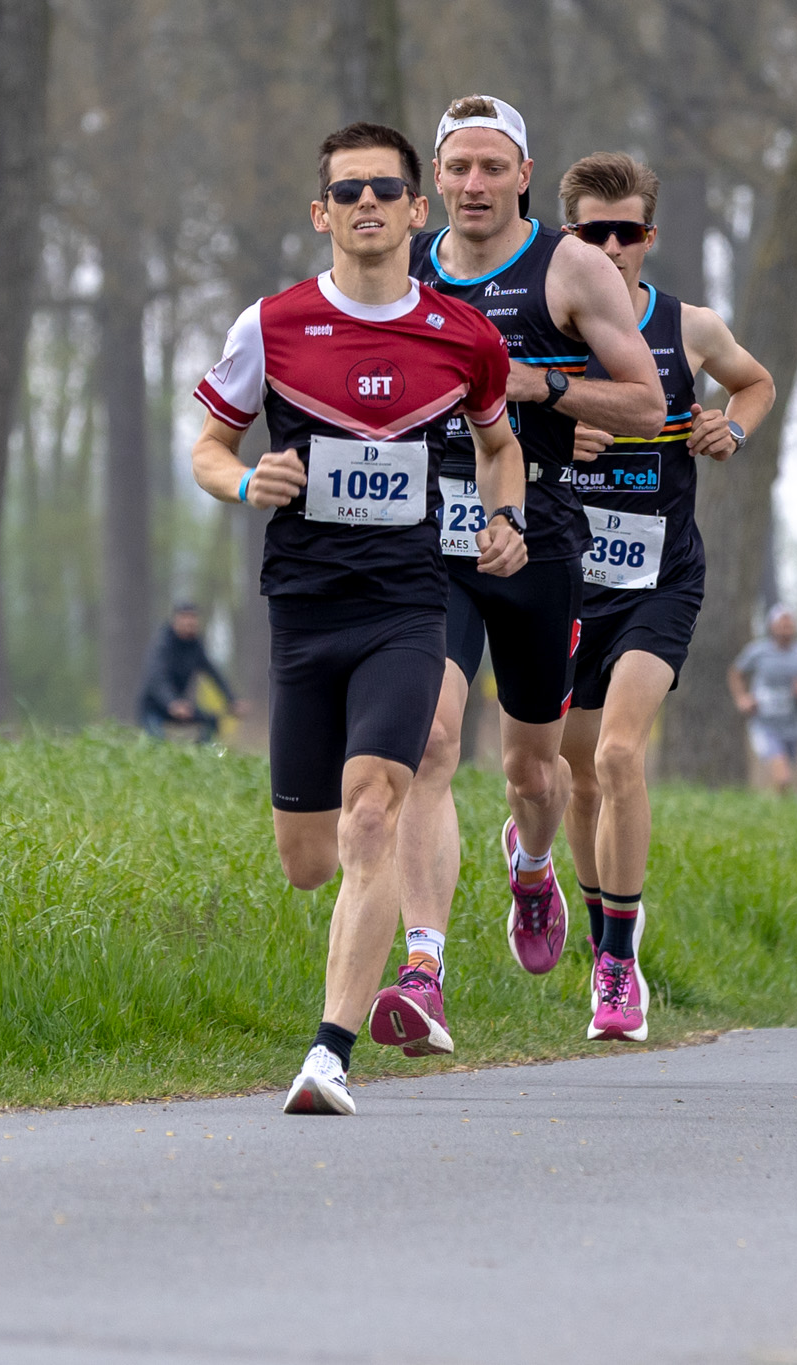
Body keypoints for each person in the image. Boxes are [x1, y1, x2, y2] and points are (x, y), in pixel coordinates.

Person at [190, 122, 525, 1114]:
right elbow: (208, 446)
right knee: (308, 860)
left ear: (417, 209)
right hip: (304, 609)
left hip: (407, 604)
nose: (366, 203)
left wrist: (505, 517)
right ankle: (346, 970)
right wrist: (246, 479)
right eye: (347, 191)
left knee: (374, 811)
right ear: (321, 212)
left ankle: (329, 1053)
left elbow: (499, 445)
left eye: (384, 188)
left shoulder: (463, 335)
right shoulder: (272, 325)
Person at [379, 96, 665, 1062]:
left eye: (492, 167)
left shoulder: (571, 267)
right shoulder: (401, 265)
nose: (473, 184)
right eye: (457, 167)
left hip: (538, 536)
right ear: (434, 179)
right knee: (429, 741)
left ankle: (532, 863)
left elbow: (645, 403)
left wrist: (543, 384)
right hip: (429, 536)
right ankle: (424, 971)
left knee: (535, 773)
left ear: (524, 176)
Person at [557, 152, 776, 1043]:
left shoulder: (690, 327)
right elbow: (482, 422)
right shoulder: (545, 324)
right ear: (568, 235)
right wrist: (552, 440)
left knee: (618, 756)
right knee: (574, 773)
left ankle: (618, 961)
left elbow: (755, 382)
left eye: (628, 232)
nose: (611, 248)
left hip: (660, 577)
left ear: (650, 235)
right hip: (565, 577)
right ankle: (591, 915)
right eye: (593, 233)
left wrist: (732, 428)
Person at [730, 605, 797, 796]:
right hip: (763, 723)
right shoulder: (758, 651)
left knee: (783, 775)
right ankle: (778, 802)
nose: (785, 630)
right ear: (772, 627)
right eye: (781, 625)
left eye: (789, 626)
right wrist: (742, 698)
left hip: (793, 725)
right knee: (782, 776)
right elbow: (735, 673)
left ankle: (774, 803)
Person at [135, 604, 245, 741]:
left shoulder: (195, 646)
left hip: (181, 705)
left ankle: (203, 752)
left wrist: (232, 701)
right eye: (185, 618)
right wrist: (172, 702)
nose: (189, 623)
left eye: (193, 618)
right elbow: (157, 679)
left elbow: (214, 673)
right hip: (154, 706)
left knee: (211, 721)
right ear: (175, 620)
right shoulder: (162, 644)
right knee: (156, 742)